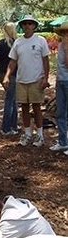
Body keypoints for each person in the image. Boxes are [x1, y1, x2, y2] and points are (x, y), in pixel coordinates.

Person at [3, 14, 50, 147]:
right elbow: (13, 61)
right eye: (25, 24)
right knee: (23, 107)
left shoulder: (40, 40)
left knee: (36, 107)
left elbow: (45, 61)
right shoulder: (18, 42)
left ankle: (40, 135)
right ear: (22, 26)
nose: (27, 26)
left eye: (30, 23)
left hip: (36, 79)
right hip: (21, 80)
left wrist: (45, 78)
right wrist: (7, 76)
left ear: (34, 26)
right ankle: (28, 134)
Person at [49, 22, 68, 154]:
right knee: (60, 113)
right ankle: (62, 141)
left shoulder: (65, 46)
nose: (66, 35)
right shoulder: (61, 45)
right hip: (60, 80)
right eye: (64, 33)